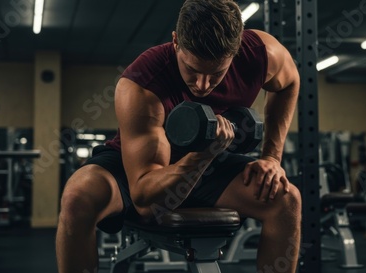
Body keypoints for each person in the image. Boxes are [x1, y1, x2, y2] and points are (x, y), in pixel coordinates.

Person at [56, 0, 301, 272]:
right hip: (139, 171)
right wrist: (204, 153)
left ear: (236, 51)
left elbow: (289, 83)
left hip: (212, 163)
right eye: (193, 70)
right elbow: (148, 202)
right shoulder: (143, 82)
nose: (202, 85)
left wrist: (271, 156)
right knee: (78, 195)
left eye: (216, 73)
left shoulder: (261, 53)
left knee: (286, 198)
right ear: (176, 42)